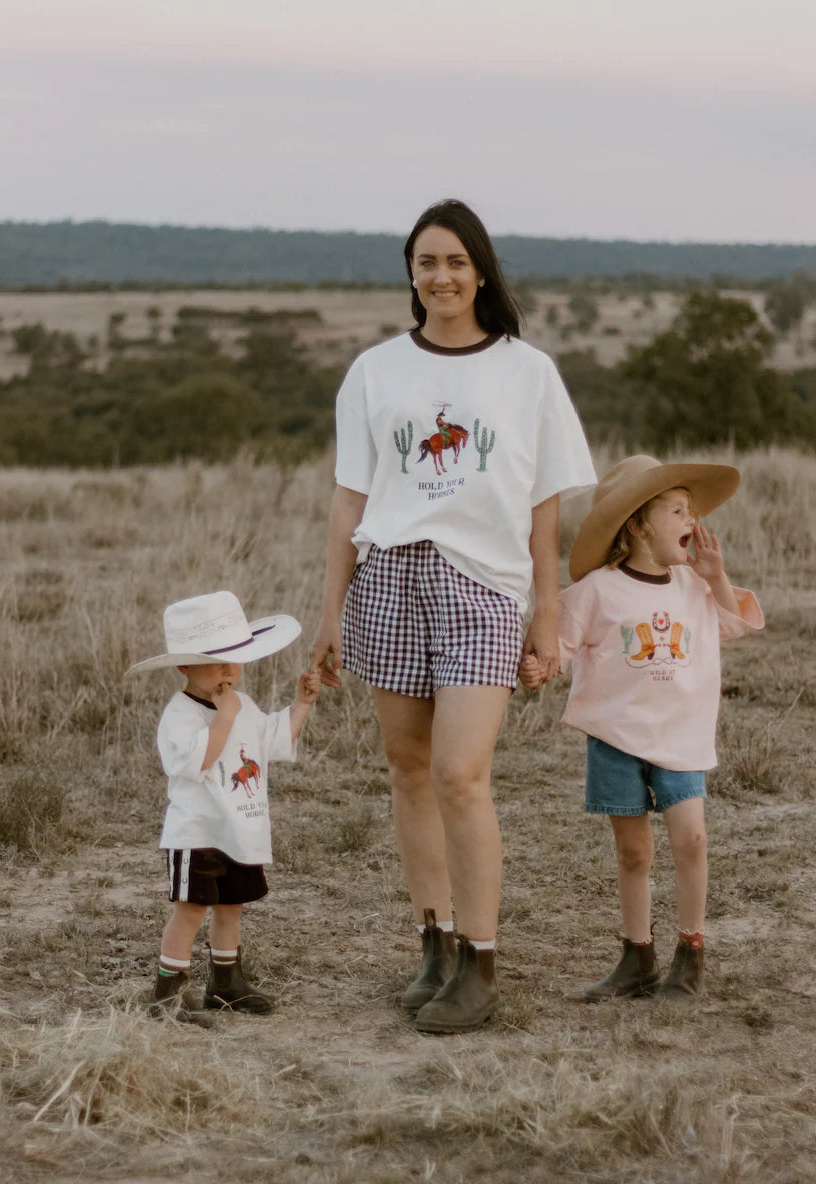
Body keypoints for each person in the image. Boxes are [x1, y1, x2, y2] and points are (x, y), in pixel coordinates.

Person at [310, 199, 596, 1033]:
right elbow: (349, 501)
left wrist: (547, 613)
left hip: (484, 585)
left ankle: (480, 959)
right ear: (411, 272)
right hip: (392, 575)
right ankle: (432, 938)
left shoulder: (526, 370)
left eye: (456, 262)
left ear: (481, 272)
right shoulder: (374, 371)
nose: (442, 276)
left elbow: (543, 509)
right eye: (426, 261)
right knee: (407, 771)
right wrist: (331, 613)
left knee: (460, 773)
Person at [520, 455, 764, 1001]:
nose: (690, 519)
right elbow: (558, 642)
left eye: (690, 510)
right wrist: (541, 663)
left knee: (692, 840)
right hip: (616, 738)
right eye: (677, 510)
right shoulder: (596, 591)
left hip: (681, 738)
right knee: (633, 853)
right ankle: (637, 958)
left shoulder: (695, 585)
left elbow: (735, 624)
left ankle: (691, 955)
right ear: (636, 525)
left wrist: (717, 576)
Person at [127, 590, 321, 1022]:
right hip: (197, 833)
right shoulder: (180, 715)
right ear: (185, 666)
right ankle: (167, 998)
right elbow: (198, 760)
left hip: (239, 830)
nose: (228, 671)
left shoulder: (242, 705)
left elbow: (273, 739)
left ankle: (225, 983)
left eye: (235, 660)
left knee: (231, 906)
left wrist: (302, 704)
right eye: (216, 662)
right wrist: (225, 716)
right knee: (191, 909)